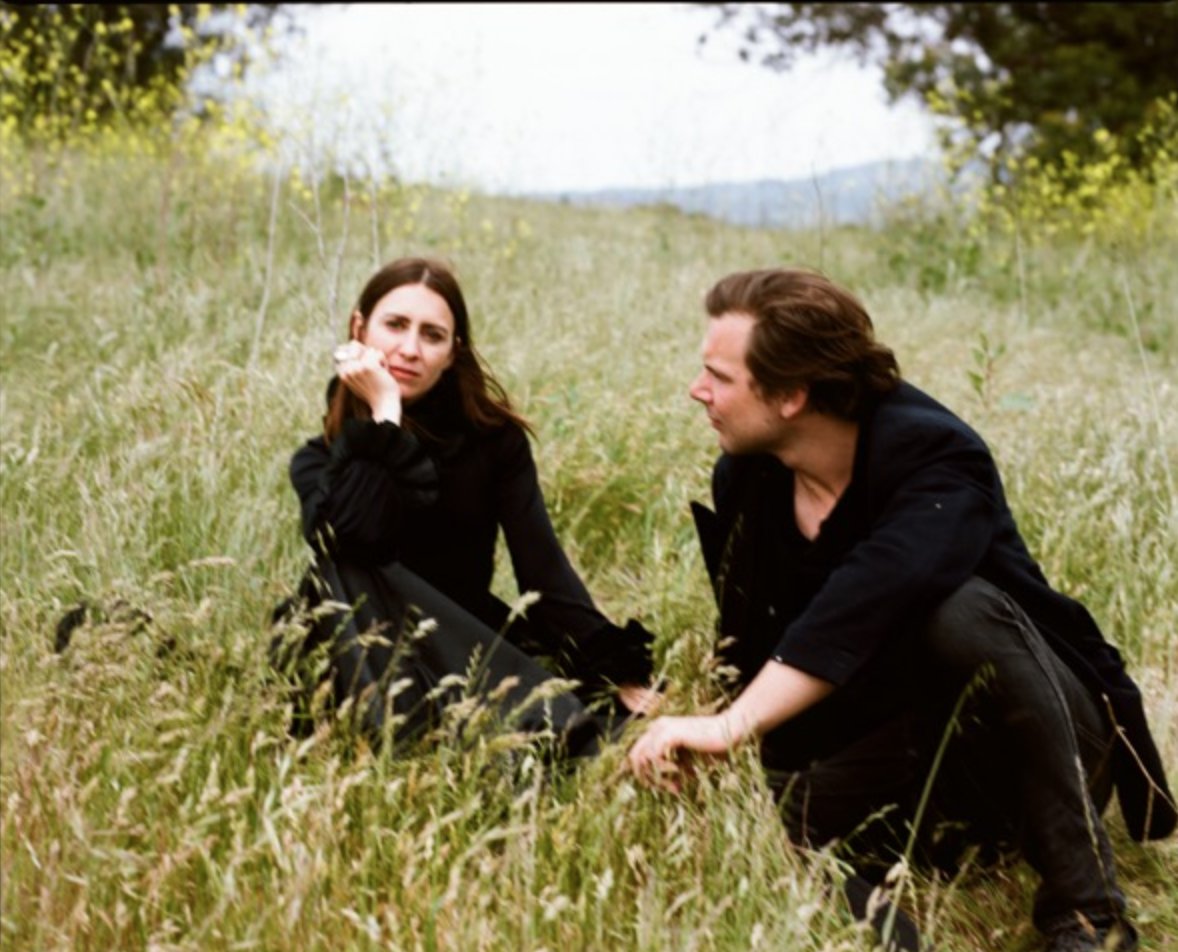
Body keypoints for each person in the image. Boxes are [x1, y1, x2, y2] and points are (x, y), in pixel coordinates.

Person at [627, 268, 1175, 952]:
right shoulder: (749, 474)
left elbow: (873, 594)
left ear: (792, 395)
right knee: (751, 825)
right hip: (900, 754)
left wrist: (731, 726)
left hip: (1032, 740)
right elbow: (760, 635)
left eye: (718, 376)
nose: (697, 390)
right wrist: (722, 745)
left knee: (959, 609)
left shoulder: (935, 456)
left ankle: (1088, 917)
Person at [273, 256, 655, 754]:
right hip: (357, 651)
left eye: (432, 335)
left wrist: (614, 671)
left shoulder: (494, 442)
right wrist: (385, 415)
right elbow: (353, 541)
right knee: (342, 564)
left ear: (453, 353)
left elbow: (542, 571)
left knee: (567, 728)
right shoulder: (319, 458)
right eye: (395, 325)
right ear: (359, 329)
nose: (410, 349)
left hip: (461, 641)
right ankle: (393, 744)